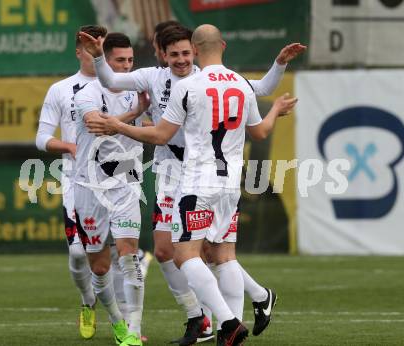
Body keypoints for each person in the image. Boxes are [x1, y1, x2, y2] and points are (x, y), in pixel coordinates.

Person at [79, 23, 305, 345]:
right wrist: (278, 97)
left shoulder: (191, 86)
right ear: (222, 45)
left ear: (196, 51)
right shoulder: (238, 83)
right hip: (228, 182)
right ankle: (232, 317)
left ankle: (224, 321)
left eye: (186, 52)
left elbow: (159, 135)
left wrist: (117, 124)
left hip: (196, 180)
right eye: (174, 54)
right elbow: (260, 131)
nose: (181, 58)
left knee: (186, 255)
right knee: (222, 255)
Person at [74, 32, 149, 346]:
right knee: (100, 266)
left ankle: (131, 330)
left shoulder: (140, 91)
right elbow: (98, 126)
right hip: (90, 185)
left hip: (126, 182)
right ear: (104, 60)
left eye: (130, 60)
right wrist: (134, 115)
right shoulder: (87, 93)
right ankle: (116, 320)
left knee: (129, 255)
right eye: (120, 60)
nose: (127, 66)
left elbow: (154, 127)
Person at [35, 25, 106, 340]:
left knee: (113, 256)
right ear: (78, 51)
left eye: (100, 47)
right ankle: (87, 300)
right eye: (89, 48)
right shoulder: (61, 89)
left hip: (116, 184)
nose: (95, 53)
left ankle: (129, 325)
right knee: (79, 255)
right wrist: (69, 146)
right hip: (76, 185)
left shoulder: (119, 85)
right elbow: (41, 139)